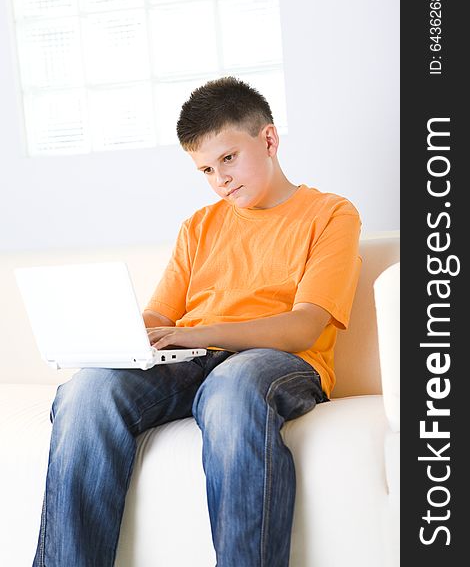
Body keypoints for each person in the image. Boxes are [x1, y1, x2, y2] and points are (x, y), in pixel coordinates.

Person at [33, 76, 362, 567]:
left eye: (228, 158)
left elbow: (303, 327)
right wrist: (115, 329)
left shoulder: (330, 214)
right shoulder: (200, 226)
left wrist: (195, 333)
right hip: (192, 357)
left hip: (276, 361)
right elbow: (159, 317)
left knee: (232, 386)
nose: (221, 179)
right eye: (206, 169)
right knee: (87, 393)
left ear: (268, 140)